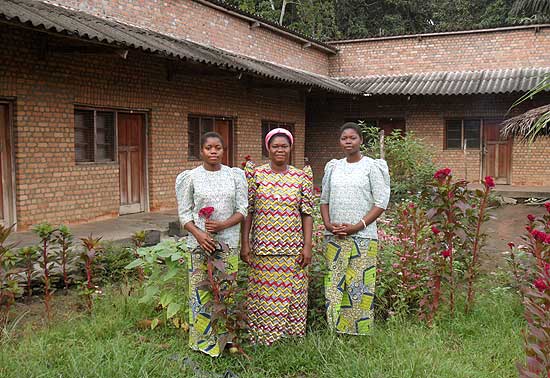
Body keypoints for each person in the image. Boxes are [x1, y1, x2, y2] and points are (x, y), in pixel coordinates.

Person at [175, 131, 248, 357]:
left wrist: (223, 225)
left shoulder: (234, 176)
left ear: (224, 150)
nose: (214, 151)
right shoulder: (191, 177)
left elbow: (243, 210)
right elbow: (184, 213)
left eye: (218, 147)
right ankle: (202, 342)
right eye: (209, 148)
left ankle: (226, 341)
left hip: (228, 244)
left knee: (226, 291)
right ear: (201, 151)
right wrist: (199, 234)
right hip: (200, 246)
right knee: (200, 293)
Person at [241, 128, 314, 346]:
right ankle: (261, 339)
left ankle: (290, 340)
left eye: (284, 146)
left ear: (291, 148)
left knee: (292, 295)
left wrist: (307, 245)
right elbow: (249, 210)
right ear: (268, 148)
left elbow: (307, 213)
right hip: (263, 249)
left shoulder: (301, 177)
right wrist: (245, 243)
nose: (280, 149)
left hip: (293, 250)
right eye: (275, 146)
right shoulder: (256, 175)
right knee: (264, 295)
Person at [320, 122, 390, 335]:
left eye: (352, 138)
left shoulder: (372, 167)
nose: (348, 141)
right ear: (339, 141)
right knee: (334, 283)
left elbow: (380, 202)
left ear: (361, 140)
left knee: (359, 284)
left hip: (363, 236)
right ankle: (334, 329)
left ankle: (356, 332)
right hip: (335, 236)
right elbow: (324, 200)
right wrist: (328, 224)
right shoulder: (333, 167)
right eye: (344, 138)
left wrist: (357, 226)